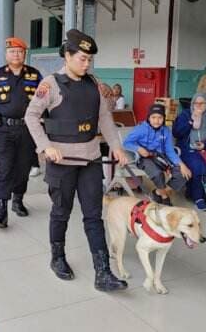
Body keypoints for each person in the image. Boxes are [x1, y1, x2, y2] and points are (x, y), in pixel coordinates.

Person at [25, 29, 129, 292]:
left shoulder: (93, 83)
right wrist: (45, 147)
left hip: (91, 159)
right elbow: (31, 116)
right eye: (82, 58)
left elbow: (104, 117)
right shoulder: (51, 84)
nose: (86, 64)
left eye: (89, 60)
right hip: (62, 162)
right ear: (68, 56)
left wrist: (116, 146)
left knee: (94, 216)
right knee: (61, 212)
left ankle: (103, 272)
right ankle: (57, 257)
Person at [0, 37, 42, 228]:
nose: (16, 55)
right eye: (12, 52)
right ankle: (1, 212)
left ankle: (18, 200)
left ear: (25, 54)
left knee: (22, 168)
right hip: (3, 130)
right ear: (6, 54)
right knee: (4, 168)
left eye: (20, 51)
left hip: (28, 130)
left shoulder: (35, 75)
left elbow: (45, 101)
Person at [123, 103, 192, 205]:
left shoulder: (166, 131)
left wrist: (182, 164)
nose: (156, 120)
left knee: (183, 174)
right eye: (153, 117)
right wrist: (138, 148)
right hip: (144, 158)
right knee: (157, 174)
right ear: (149, 118)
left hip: (161, 157)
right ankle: (164, 196)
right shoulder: (141, 129)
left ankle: (158, 192)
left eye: (160, 117)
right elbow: (126, 142)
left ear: (164, 118)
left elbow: (169, 150)